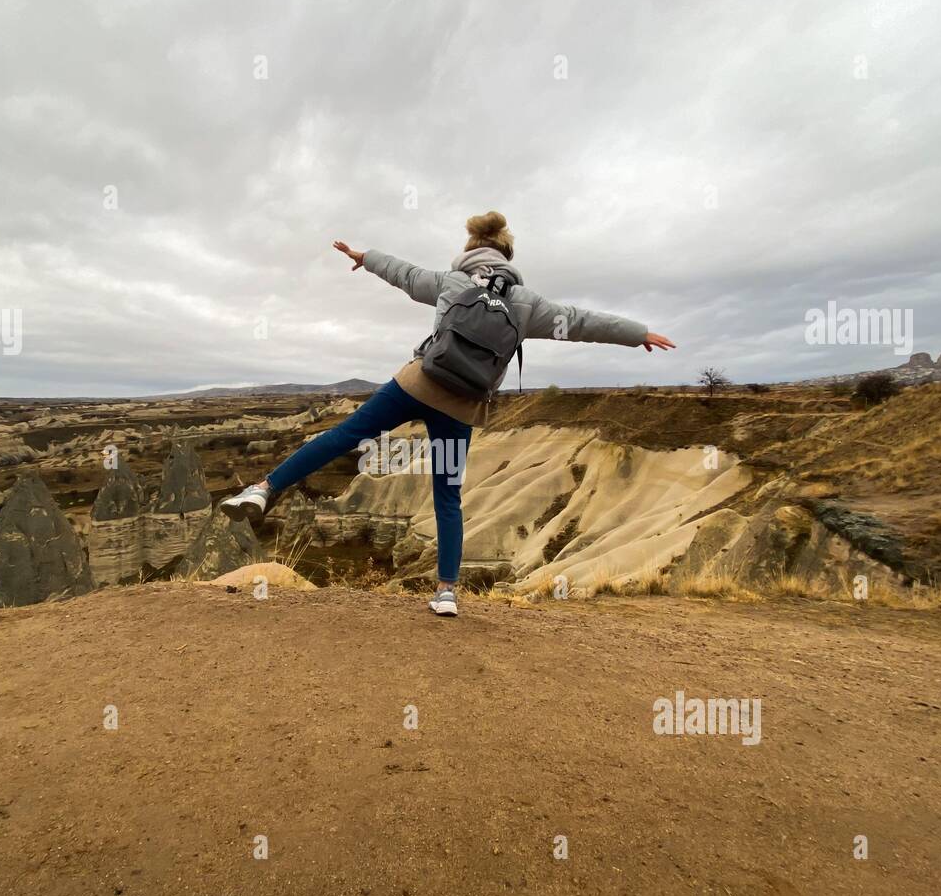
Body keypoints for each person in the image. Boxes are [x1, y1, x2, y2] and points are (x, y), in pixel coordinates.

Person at [219, 211, 676, 616]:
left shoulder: (452, 282)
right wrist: (638, 333)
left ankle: (264, 487)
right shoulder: (529, 304)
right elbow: (581, 321)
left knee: (342, 436)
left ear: (471, 252)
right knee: (447, 496)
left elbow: (405, 273)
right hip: (461, 405)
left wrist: (366, 257)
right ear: (508, 257)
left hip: (416, 384)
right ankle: (446, 592)